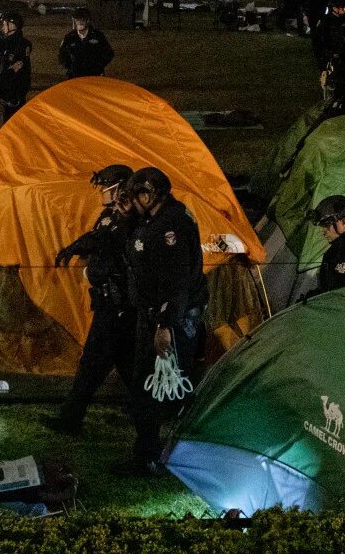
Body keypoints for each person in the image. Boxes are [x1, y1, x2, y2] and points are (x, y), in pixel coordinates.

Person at [118, 167, 205, 475]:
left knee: (156, 388)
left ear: (148, 195)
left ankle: (151, 457)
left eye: (136, 196)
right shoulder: (156, 219)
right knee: (154, 386)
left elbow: (175, 279)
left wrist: (165, 325)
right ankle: (158, 452)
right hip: (158, 315)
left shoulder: (172, 226)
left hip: (169, 320)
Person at [46, 164, 138, 436]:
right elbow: (98, 235)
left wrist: (85, 248)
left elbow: (108, 240)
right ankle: (153, 410)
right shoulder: (110, 216)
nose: (100, 191)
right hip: (109, 302)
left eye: (105, 186)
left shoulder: (129, 218)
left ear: (120, 187)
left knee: (93, 364)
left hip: (117, 306)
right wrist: (74, 247)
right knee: (128, 364)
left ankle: (70, 419)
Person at [0, 12, 34, 121]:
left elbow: (18, 68)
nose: (2, 27)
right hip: (6, 88)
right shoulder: (5, 42)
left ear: (12, 25)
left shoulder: (21, 44)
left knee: (13, 119)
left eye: (4, 24)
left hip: (14, 90)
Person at [59, 8, 115, 79]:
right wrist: (71, 67)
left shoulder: (98, 36)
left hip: (94, 75)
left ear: (88, 20)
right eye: (77, 19)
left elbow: (109, 53)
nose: (79, 22)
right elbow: (62, 55)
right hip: (75, 76)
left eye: (82, 19)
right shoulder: (69, 37)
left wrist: (98, 66)